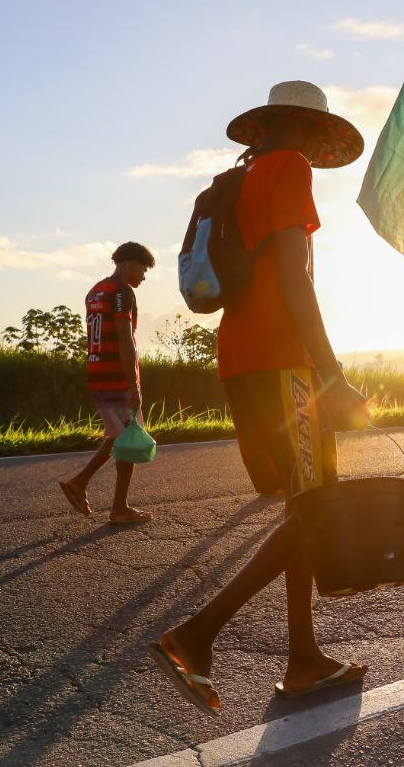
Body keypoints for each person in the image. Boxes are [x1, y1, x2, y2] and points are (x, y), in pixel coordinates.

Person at [151, 81, 370, 716]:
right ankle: (197, 634)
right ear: (306, 130)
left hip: (241, 357)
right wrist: (331, 375)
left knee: (302, 509)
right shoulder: (289, 168)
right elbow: (296, 279)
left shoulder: (237, 181)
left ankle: (304, 659)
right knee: (317, 509)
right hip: (284, 361)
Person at [59, 242, 157, 524]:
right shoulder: (122, 292)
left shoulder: (95, 291)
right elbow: (125, 338)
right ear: (128, 263)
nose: (144, 276)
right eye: (143, 269)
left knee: (119, 436)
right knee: (126, 439)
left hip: (97, 372)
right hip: (116, 374)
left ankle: (86, 487)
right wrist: (132, 383)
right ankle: (116, 506)